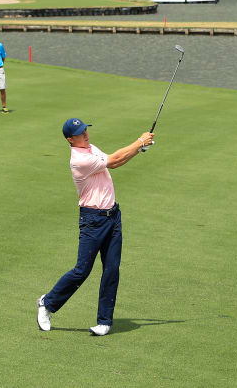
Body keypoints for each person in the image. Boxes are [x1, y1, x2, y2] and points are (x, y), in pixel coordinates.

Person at [37, 119, 154, 337]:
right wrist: (139, 142)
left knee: (111, 269)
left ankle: (104, 321)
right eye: (80, 133)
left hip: (112, 216)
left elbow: (117, 163)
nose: (85, 134)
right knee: (82, 270)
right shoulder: (79, 160)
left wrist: (139, 149)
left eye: (85, 130)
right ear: (70, 140)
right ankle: (47, 303)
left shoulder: (90, 148)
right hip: (93, 220)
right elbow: (114, 160)